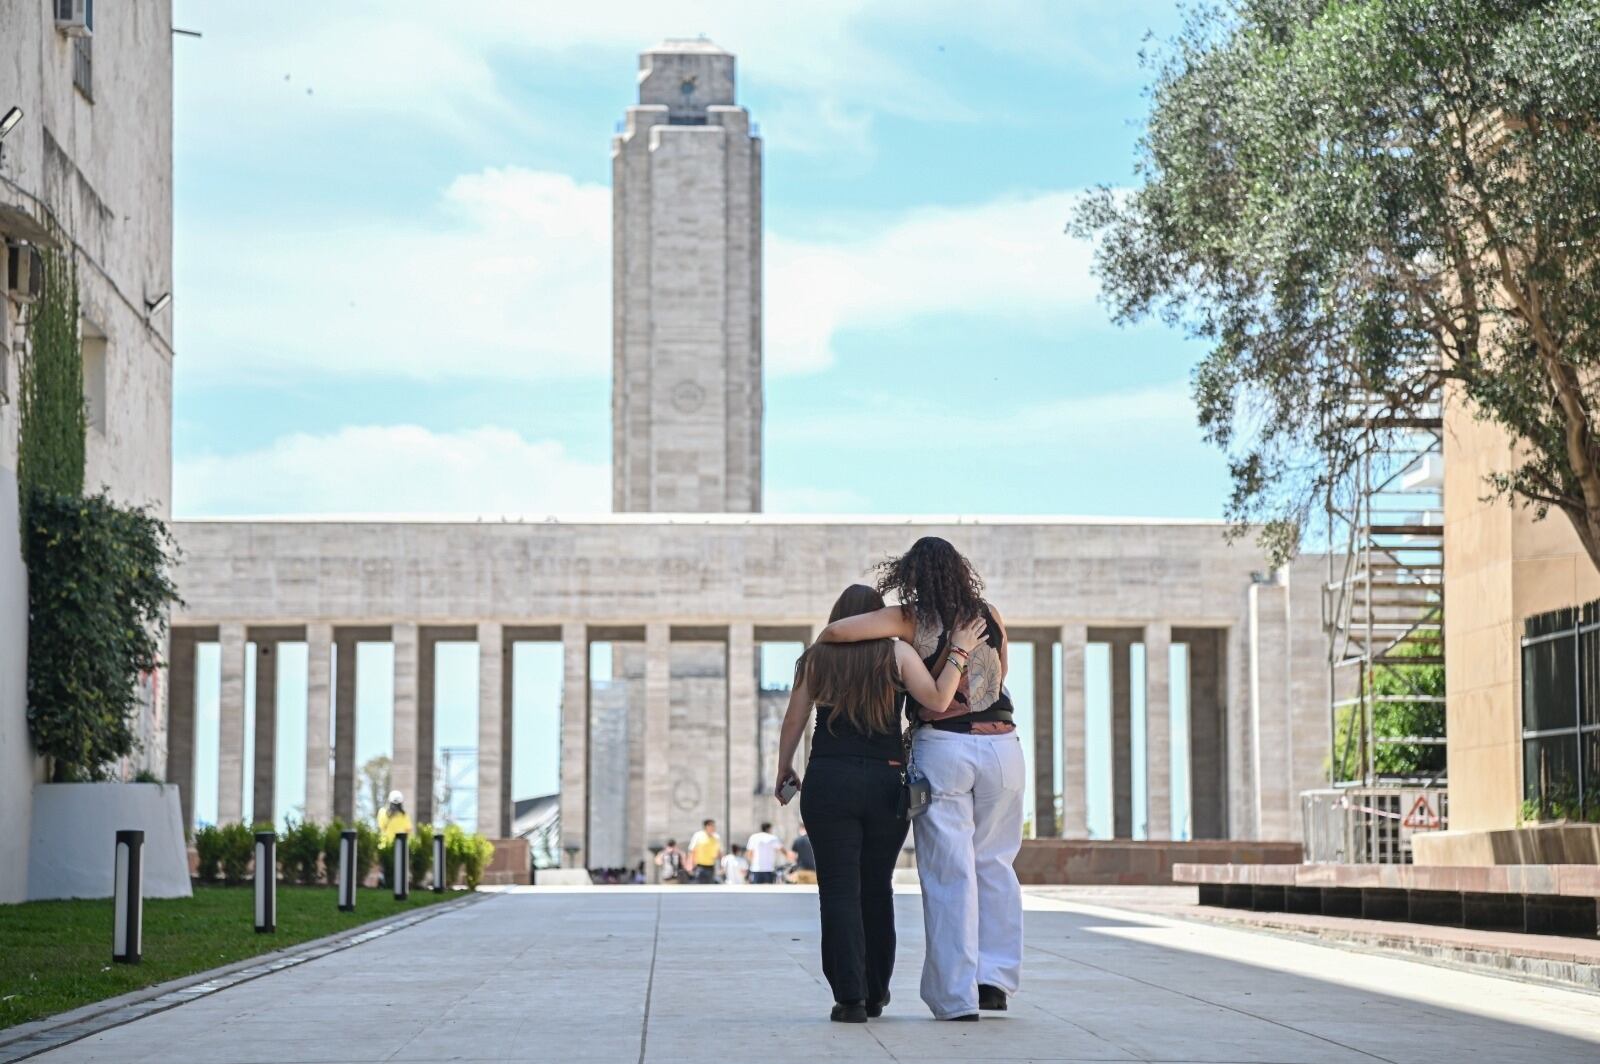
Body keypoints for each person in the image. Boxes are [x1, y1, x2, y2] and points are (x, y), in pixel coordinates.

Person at [816, 536, 1022, 1021]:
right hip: (1003, 746)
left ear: (910, 575)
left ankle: (956, 998)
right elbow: (998, 677)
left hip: (946, 743)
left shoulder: (909, 617)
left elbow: (838, 633)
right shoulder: (988, 613)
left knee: (950, 870)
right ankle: (994, 981)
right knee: (996, 863)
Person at [777, 582, 986, 1023]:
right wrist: (960, 652)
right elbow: (936, 699)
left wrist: (785, 769)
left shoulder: (816, 657)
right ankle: (875, 992)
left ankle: (848, 998)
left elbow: (794, 719)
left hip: (829, 778)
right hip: (885, 781)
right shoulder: (896, 653)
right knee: (876, 888)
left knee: (836, 890)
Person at [687, 819, 722, 884]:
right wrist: (690, 866)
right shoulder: (698, 835)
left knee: (710, 887)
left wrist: (721, 866)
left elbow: (719, 852)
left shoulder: (716, 837)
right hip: (699, 867)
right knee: (700, 888)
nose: (714, 828)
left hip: (711, 867)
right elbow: (692, 851)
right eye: (712, 826)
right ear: (707, 826)